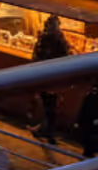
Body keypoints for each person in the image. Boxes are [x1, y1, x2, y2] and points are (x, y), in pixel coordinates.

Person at [30, 15, 72, 143]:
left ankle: (46, 130)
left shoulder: (45, 39)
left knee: (48, 105)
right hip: (55, 76)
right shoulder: (60, 40)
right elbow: (66, 54)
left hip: (45, 75)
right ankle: (48, 131)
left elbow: (38, 55)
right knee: (51, 105)